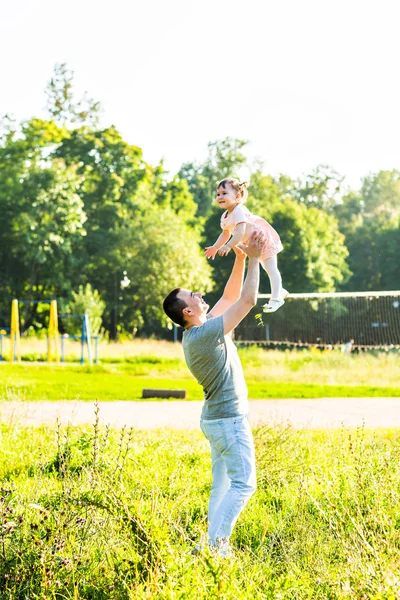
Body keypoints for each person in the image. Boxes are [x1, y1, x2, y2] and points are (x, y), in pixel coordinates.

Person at [162, 230, 266, 558]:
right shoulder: (206, 334)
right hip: (228, 421)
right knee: (244, 484)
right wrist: (253, 257)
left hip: (216, 421)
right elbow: (247, 301)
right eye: (193, 295)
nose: (199, 294)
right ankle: (214, 548)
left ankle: (211, 543)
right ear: (188, 312)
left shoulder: (200, 330)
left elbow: (232, 294)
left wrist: (237, 257)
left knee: (222, 487)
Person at [204, 177, 288, 313]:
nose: (220, 196)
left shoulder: (239, 210)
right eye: (218, 194)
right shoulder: (225, 216)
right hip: (252, 244)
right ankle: (280, 291)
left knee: (271, 268)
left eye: (224, 193)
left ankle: (276, 298)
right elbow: (225, 234)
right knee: (267, 268)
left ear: (237, 196)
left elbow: (240, 232)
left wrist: (228, 246)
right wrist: (215, 247)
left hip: (262, 240)